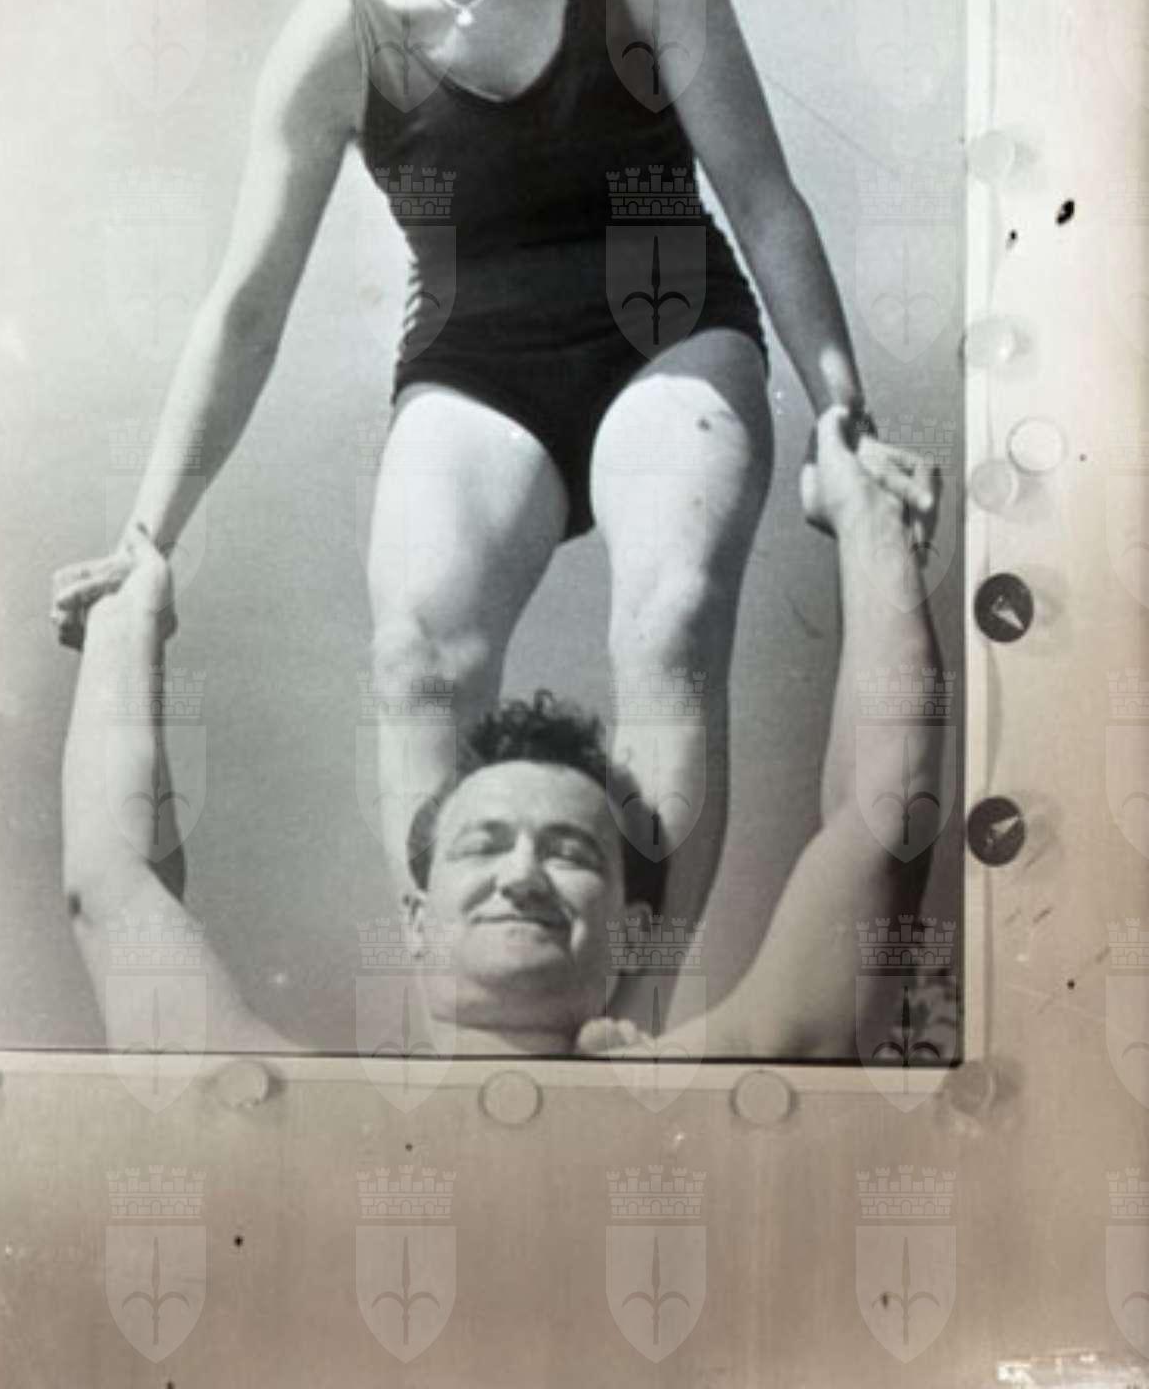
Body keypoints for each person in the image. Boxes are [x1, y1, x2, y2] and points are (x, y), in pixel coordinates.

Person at [52, 0, 936, 942]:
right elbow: (247, 305)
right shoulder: (338, 32)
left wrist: (845, 413)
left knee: (672, 616)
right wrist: (145, 534)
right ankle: (461, 991)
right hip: (478, 366)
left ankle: (637, 997)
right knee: (415, 657)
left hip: (670, 333)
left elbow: (766, 199)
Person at [62, 405, 946, 1062]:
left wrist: (869, 521)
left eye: (570, 852)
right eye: (484, 844)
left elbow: (886, 819)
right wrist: (127, 612)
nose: (521, 876)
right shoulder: (305, 1113)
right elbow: (109, 888)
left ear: (636, 930)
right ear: (416, 919)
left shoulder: (702, 1094)